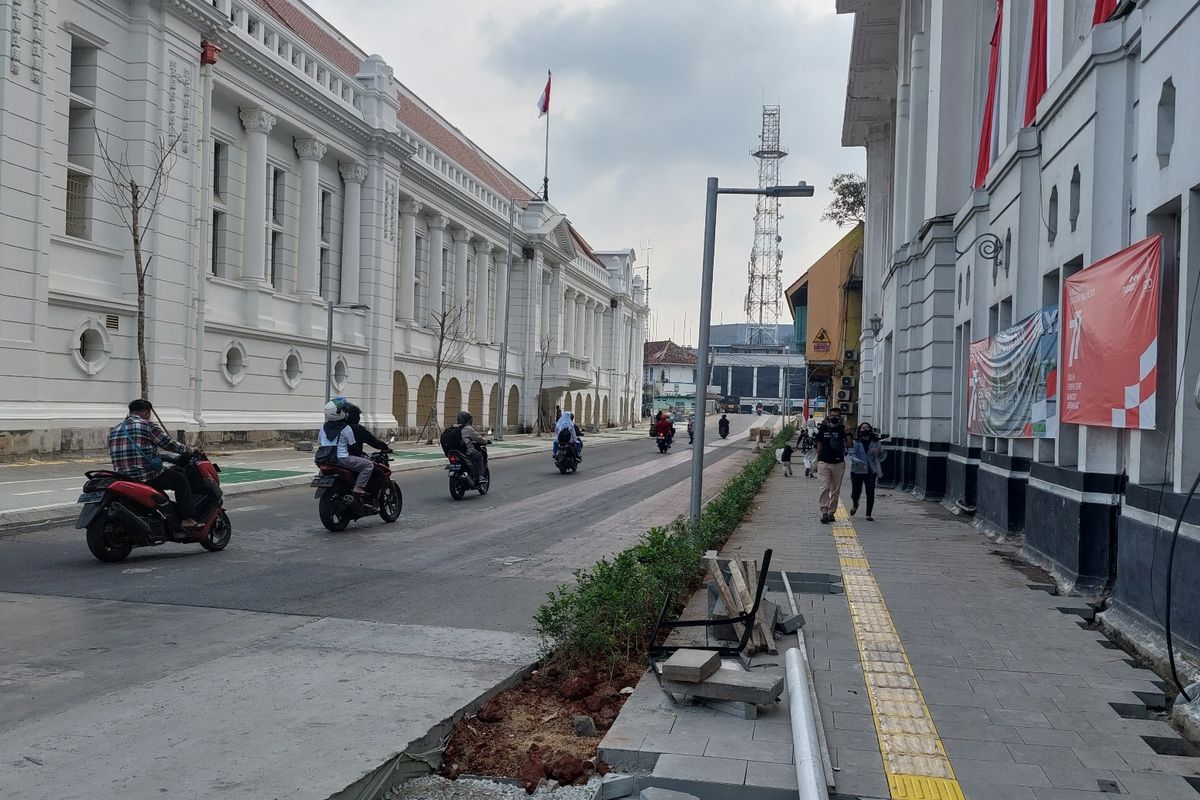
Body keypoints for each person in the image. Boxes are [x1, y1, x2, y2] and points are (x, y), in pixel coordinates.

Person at [109, 399, 200, 530]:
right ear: (146, 412)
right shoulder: (147, 425)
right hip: (145, 475)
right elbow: (169, 444)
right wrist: (190, 450)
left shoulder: (115, 429)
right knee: (181, 480)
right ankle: (188, 520)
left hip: (123, 477)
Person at [318, 398, 372, 496]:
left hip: (324, 459)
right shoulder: (346, 428)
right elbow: (353, 445)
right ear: (338, 413)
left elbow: (320, 442)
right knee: (369, 465)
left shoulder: (323, 427)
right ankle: (358, 487)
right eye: (343, 410)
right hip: (342, 459)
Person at [814, 406, 850, 523]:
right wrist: (817, 459)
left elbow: (850, 445)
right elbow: (819, 444)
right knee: (824, 487)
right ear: (829, 416)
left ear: (840, 417)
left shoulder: (842, 429)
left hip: (838, 463)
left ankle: (831, 512)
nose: (834, 418)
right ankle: (824, 511)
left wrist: (848, 433)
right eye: (832, 416)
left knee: (835, 489)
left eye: (836, 416)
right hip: (824, 462)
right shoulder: (823, 428)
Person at [849, 422, 886, 521]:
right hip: (857, 471)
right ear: (860, 430)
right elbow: (852, 455)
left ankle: (868, 514)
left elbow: (882, 455)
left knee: (870, 492)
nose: (865, 429)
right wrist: (859, 462)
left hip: (871, 470)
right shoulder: (856, 442)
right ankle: (855, 504)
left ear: (870, 429)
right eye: (863, 428)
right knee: (855, 493)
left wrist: (879, 453)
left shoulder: (876, 441)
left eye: (867, 427)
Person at [456, 411, 490, 485]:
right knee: (479, 457)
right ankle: (481, 477)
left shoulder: (454, 427)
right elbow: (478, 438)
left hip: (454, 451)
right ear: (467, 420)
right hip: (466, 451)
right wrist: (486, 441)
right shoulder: (468, 428)